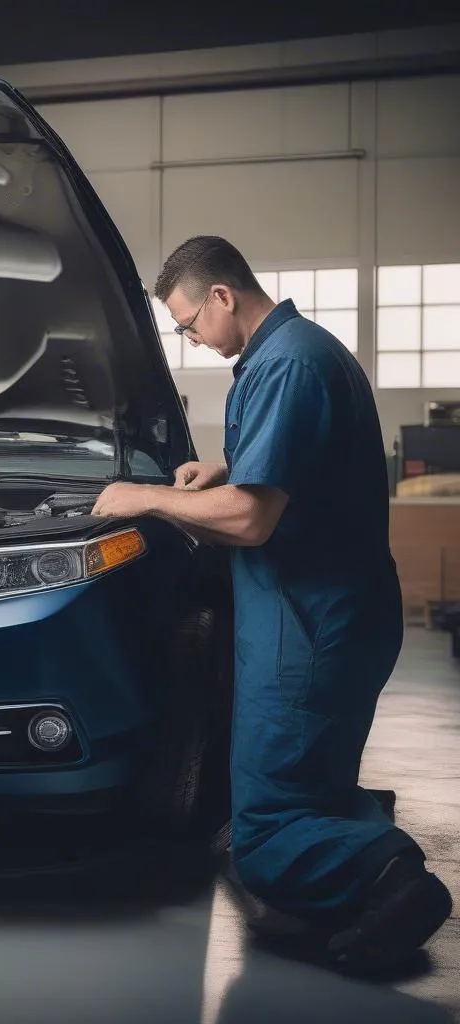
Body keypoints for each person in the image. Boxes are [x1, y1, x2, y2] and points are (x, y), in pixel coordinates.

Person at [93, 236, 452, 972]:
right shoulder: (299, 349)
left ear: (222, 296)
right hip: (329, 614)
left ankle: (387, 877)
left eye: (189, 322)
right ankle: (357, 868)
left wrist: (145, 497)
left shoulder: (285, 363)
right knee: (309, 785)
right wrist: (226, 466)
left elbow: (254, 519)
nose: (190, 336)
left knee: (262, 830)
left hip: (310, 623)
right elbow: (298, 462)